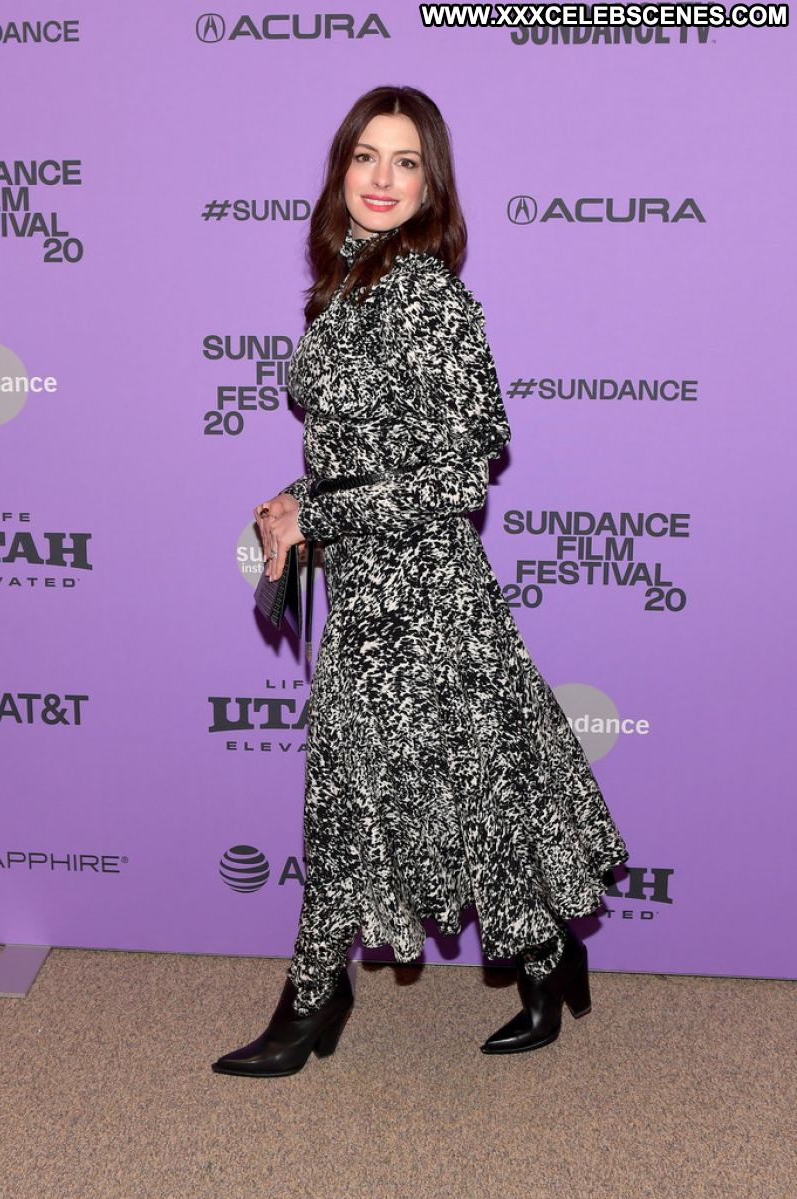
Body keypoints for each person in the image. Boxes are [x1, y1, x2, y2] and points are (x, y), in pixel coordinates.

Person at [212, 85, 629, 1078]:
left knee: (401, 797)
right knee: (444, 794)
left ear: (431, 184)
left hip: (428, 601)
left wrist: (322, 512)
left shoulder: (426, 295)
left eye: (406, 161)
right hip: (366, 589)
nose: (382, 178)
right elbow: (370, 452)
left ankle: (313, 999)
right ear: (340, 170)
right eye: (366, 156)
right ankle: (541, 952)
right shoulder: (348, 286)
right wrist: (298, 499)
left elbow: (458, 475)